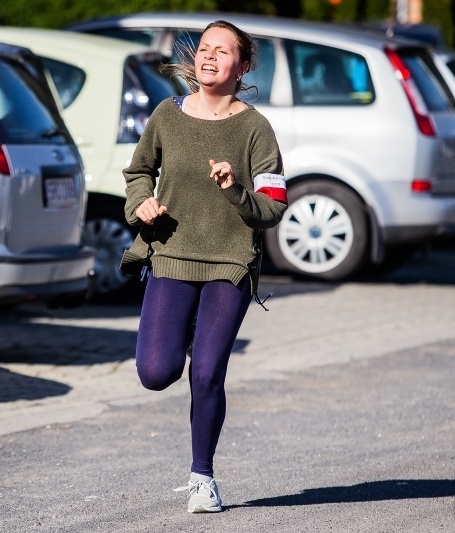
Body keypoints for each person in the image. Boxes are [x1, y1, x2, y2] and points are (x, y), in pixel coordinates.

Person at [120, 20, 288, 513]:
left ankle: (202, 478)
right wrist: (140, 205)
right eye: (204, 49)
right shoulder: (167, 117)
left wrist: (235, 189)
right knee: (156, 371)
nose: (209, 57)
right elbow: (138, 172)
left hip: (230, 264)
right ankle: (187, 331)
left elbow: (274, 205)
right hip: (171, 254)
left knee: (209, 372)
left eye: (223, 51)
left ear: (244, 66)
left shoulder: (254, 128)